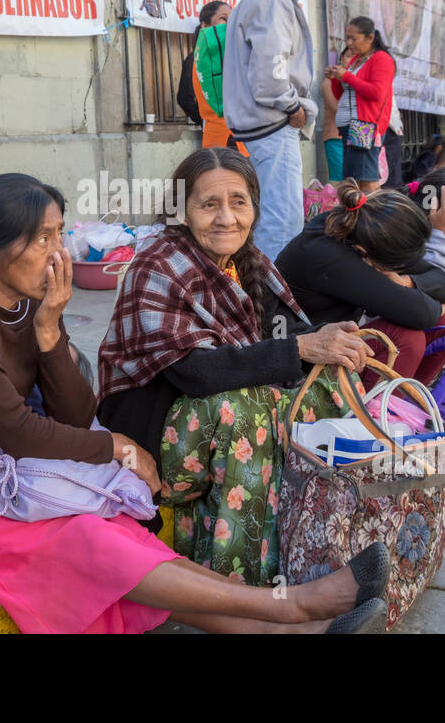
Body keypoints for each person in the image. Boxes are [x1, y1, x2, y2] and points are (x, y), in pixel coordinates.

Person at [0, 165, 391, 633]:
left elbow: (74, 413)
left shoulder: (25, 301)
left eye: (59, 234)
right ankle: (290, 609)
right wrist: (118, 447)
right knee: (90, 543)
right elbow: (18, 430)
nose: (60, 252)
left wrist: (49, 332)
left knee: (111, 531)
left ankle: (281, 630)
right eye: (42, 240)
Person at [97, 150, 390, 591]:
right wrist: (300, 347)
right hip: (153, 433)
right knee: (247, 409)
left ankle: (312, 545)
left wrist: (324, 339)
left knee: (326, 382)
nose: (226, 218)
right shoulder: (157, 264)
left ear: (254, 206)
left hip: (207, 415)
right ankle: (242, 589)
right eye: (208, 204)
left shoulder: (248, 262)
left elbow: (286, 331)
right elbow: (194, 373)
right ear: (181, 211)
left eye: (239, 202)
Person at [277, 180, 445, 383]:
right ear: (365, 255)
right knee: (405, 338)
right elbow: (420, 314)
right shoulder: (329, 256)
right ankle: (376, 411)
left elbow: (443, 282)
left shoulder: (365, 231)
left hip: (340, 340)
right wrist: (438, 307)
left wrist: (406, 282)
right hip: (304, 359)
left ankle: (408, 407)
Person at [222, 0, 326, 260]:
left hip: (263, 122)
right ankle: (274, 302)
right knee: (283, 221)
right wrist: (292, 106)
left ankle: (265, 295)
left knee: (273, 215)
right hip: (271, 120)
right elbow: (270, 67)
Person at [326, 16, 396, 192]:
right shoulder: (358, 60)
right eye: (347, 38)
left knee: (367, 179)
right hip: (349, 126)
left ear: (370, 38)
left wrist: (347, 76)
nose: (349, 43)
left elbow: (377, 93)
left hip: (365, 126)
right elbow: (342, 94)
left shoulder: (381, 59)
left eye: (354, 38)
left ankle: (377, 216)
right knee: (354, 179)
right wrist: (335, 79)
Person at [189, 0, 245, 153]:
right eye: (223, 19)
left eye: (231, 19)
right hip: (229, 139)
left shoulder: (200, 57)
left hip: (217, 137)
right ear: (205, 26)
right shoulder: (217, 58)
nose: (229, 24)